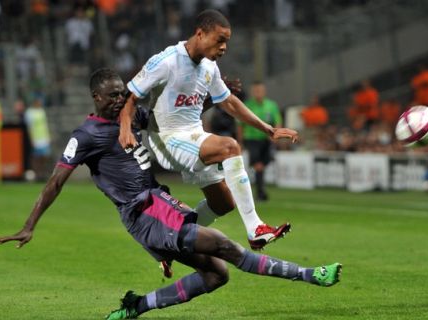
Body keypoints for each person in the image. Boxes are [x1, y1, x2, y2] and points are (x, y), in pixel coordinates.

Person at [0, 68, 342, 320]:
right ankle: (309, 275)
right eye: (112, 95)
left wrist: (214, 97)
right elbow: (55, 182)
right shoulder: (85, 135)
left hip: (157, 207)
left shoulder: (130, 119)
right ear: (96, 98)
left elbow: (172, 119)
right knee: (225, 246)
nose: (120, 100)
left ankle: (137, 306)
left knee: (216, 275)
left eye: (123, 93)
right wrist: (30, 225)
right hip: (144, 210)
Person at [119, 9, 298, 250]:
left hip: (194, 137)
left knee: (223, 203)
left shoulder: (209, 67)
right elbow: (130, 97)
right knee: (229, 147)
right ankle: (255, 228)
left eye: (227, 41)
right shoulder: (167, 61)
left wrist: (268, 129)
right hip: (166, 139)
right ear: (200, 33)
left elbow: (229, 101)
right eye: (220, 39)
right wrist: (125, 129)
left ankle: (170, 241)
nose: (224, 47)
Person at [239, 81, 282, 201]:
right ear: (253, 92)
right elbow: (240, 124)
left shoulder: (271, 105)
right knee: (258, 165)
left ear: (264, 91)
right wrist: (241, 141)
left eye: (260, 90)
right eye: (256, 90)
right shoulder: (247, 105)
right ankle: (260, 192)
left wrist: (275, 135)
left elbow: (277, 121)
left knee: (263, 165)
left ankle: (259, 190)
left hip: (266, 140)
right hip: (251, 139)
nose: (258, 93)